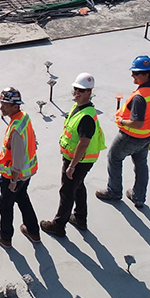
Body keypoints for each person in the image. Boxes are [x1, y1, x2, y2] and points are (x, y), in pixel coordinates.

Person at [97, 55, 150, 209]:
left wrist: (121, 121)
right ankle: (139, 197)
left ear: (146, 75)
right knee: (141, 164)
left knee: (114, 158)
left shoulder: (140, 98)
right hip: (148, 135)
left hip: (130, 137)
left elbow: (137, 123)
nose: (132, 75)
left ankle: (114, 192)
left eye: (136, 73)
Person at [41, 73, 106, 237]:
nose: (76, 93)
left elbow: (83, 143)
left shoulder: (86, 117)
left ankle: (58, 225)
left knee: (67, 191)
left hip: (79, 161)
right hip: (78, 159)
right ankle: (80, 218)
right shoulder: (79, 107)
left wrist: (72, 166)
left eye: (81, 90)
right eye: (76, 89)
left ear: (89, 92)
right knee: (78, 186)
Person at [0, 87, 41, 247]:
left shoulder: (16, 129)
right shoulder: (23, 118)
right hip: (27, 174)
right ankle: (33, 231)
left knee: (5, 206)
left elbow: (17, 158)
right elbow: (32, 138)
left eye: (5, 105)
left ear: (15, 106)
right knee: (23, 198)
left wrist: (13, 180)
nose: (1, 107)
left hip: (14, 177)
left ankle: (5, 236)